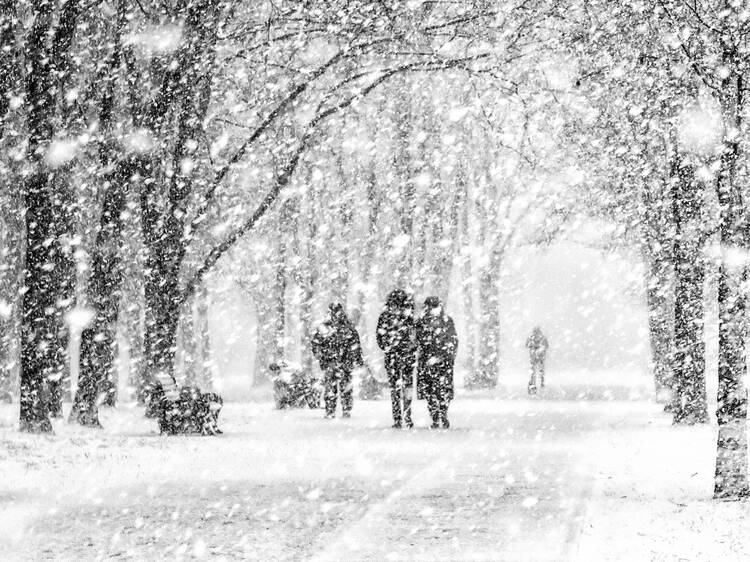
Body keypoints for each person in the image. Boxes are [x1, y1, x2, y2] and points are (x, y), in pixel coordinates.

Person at [311, 303, 363, 418]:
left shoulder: (326, 327)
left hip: (334, 361)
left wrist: (319, 353)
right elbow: (355, 343)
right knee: (343, 386)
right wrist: (357, 358)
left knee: (333, 386)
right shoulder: (346, 326)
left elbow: (316, 343)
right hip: (341, 361)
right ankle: (343, 409)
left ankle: (333, 409)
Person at [376, 289, 416, 429]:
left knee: (395, 388)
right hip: (406, 356)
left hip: (392, 356)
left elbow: (379, 337)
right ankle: (407, 416)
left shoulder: (385, 317)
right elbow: (414, 337)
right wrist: (410, 349)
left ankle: (398, 417)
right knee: (407, 387)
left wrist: (387, 347)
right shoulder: (408, 317)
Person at [416, 297, 458, 429]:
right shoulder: (425, 322)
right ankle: (438, 414)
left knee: (435, 389)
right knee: (436, 389)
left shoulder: (439, 321)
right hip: (436, 360)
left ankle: (439, 414)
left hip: (437, 360)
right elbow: (452, 340)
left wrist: (445, 354)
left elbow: (452, 340)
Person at [526, 326, 549, 395]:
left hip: (533, 357)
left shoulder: (531, 338)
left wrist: (532, 347)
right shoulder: (543, 338)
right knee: (540, 370)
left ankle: (533, 384)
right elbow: (546, 346)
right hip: (540, 357)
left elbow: (526, 345)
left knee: (533, 371)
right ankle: (541, 382)